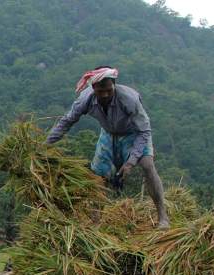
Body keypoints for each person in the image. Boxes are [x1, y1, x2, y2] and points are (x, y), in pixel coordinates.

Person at [47, 66, 170, 228]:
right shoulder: (85, 100)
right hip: (108, 134)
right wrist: (46, 144)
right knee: (99, 177)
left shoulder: (129, 99)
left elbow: (144, 131)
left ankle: (163, 217)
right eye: (100, 91)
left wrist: (130, 162)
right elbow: (67, 122)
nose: (105, 95)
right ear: (93, 88)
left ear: (114, 85)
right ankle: (96, 221)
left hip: (134, 133)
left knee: (147, 165)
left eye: (108, 90)